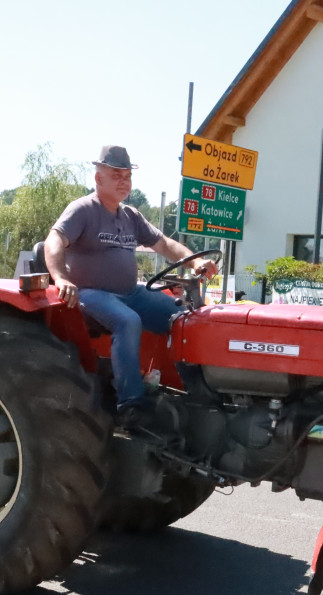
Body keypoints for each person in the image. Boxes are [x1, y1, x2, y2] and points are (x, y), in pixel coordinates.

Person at [44, 145, 217, 423]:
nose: (124, 181)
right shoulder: (82, 210)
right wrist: (61, 278)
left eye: (127, 176)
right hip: (91, 293)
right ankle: (131, 404)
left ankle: (200, 393)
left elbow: (164, 244)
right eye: (116, 175)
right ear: (99, 178)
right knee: (128, 321)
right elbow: (54, 241)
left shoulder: (131, 216)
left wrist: (193, 261)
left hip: (130, 292)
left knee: (183, 317)